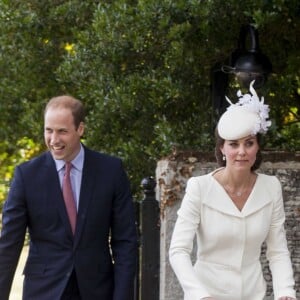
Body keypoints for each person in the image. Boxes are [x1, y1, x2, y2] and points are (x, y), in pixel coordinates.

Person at [0, 95, 138, 299]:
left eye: (62, 131)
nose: (54, 140)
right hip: (44, 291)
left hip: (97, 290)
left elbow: (125, 242)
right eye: (49, 130)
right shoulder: (26, 176)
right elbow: (9, 245)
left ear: (80, 129)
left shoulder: (111, 171)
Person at [169, 81, 296, 300]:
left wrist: (285, 292)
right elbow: (178, 251)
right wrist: (200, 295)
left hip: (252, 294)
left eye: (249, 143)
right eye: (233, 144)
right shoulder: (200, 187)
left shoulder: (270, 187)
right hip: (206, 293)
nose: (241, 152)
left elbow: (277, 251)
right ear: (222, 148)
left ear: (258, 147)